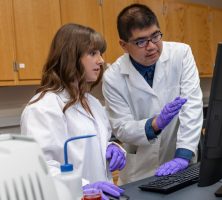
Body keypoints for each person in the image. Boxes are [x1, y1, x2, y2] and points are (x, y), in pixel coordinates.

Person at [21, 23, 125, 200]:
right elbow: (40, 168)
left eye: (100, 53)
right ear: (71, 57)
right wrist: (83, 187)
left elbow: (98, 142)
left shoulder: (93, 103)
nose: (100, 60)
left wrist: (113, 148)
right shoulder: (42, 108)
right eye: (93, 53)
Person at [102, 4, 203, 184]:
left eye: (155, 36)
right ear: (123, 45)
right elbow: (121, 127)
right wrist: (153, 125)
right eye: (141, 41)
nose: (151, 47)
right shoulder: (113, 77)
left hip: (179, 162)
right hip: (139, 171)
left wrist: (184, 153)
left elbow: (191, 106)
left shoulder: (181, 54)